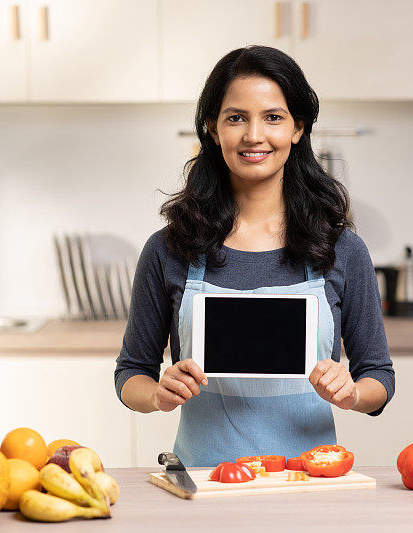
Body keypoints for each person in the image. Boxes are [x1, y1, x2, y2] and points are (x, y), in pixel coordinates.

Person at [114, 45, 394, 467]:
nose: (253, 135)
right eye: (236, 117)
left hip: (308, 485)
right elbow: (131, 372)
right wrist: (155, 393)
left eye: (273, 117)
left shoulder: (341, 249)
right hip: (203, 485)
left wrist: (352, 392)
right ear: (212, 128)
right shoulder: (169, 248)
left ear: (298, 128)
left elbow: (379, 377)